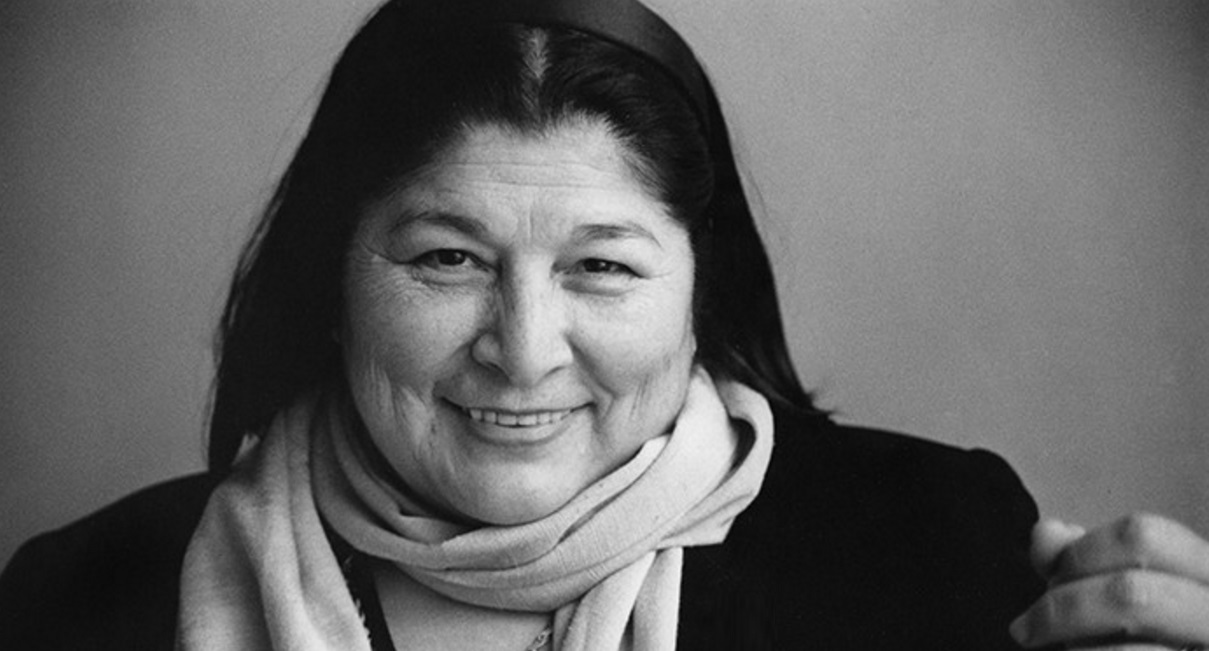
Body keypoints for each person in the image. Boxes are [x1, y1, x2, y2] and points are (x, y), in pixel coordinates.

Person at [1, 0, 1207, 649]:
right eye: (448, 258)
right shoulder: (77, 602)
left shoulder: (934, 553)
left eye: (602, 268)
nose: (524, 350)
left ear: (699, 292)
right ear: (334, 278)